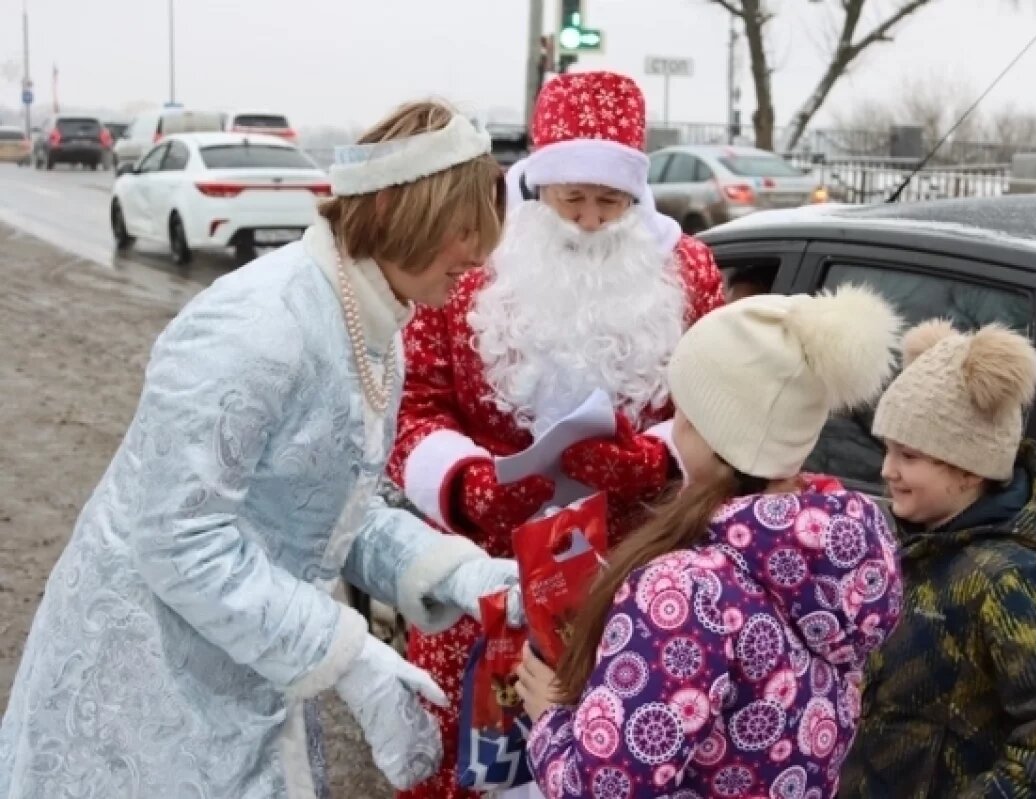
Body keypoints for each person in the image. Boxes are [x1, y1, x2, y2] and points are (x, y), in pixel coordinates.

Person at [0, 102, 521, 799]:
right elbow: (175, 535)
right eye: (465, 231)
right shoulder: (257, 323)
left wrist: (456, 572)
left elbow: (333, 506)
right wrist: (346, 653)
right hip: (148, 683)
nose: (478, 257)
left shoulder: (375, 328)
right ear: (404, 211)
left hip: (241, 666)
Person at [388, 71, 724, 799]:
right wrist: (466, 486)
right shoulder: (472, 265)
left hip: (633, 578)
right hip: (483, 575)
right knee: (466, 755)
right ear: (537, 188)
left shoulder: (688, 270)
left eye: (611, 200)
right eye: (572, 198)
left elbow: (724, 411)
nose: (591, 218)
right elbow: (412, 405)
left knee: (613, 752)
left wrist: (655, 460)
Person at [514, 286, 906, 798]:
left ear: (710, 432)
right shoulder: (840, 556)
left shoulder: (688, 592)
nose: (672, 430)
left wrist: (550, 721)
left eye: (684, 414)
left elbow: (607, 786)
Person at [840, 320, 1036, 798]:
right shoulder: (916, 545)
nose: (887, 470)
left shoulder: (1009, 578)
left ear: (968, 469)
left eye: (908, 455)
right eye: (888, 449)